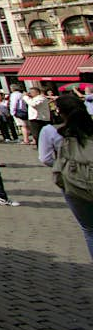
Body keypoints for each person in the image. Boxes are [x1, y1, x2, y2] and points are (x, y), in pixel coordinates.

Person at [38, 94, 93, 259]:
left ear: (60, 112)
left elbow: (45, 158)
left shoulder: (51, 131)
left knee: (89, 229)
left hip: (73, 184)